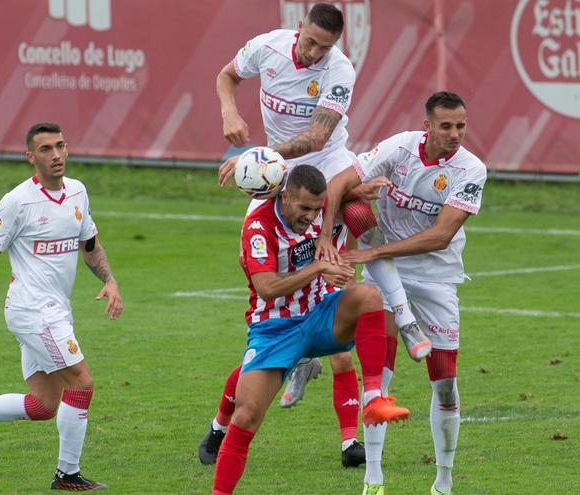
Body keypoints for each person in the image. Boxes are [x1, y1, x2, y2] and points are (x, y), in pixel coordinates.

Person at [201, 2, 430, 469]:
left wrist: (257, 154)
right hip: (276, 172)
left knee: (362, 221)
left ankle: (396, 336)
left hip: (321, 168)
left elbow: (318, 138)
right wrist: (228, 111)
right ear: (298, 28)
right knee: (269, 298)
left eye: (323, 47)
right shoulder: (267, 46)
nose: (313, 52)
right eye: (309, 42)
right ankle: (233, 413)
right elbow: (226, 76)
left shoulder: (339, 69)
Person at [0, 122, 123, 492]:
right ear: (31, 157)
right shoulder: (17, 202)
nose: (57, 155)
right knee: (82, 382)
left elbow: (90, 245)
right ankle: (67, 474)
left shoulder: (78, 192)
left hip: (55, 310)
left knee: (45, 405)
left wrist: (109, 280)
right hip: (32, 311)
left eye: (60, 146)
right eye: (46, 149)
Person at [318, 92, 486, 495]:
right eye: (446, 126)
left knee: (445, 382)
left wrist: (372, 251)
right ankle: (372, 477)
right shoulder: (399, 147)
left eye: (461, 125)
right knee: (380, 374)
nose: (455, 134)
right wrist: (326, 238)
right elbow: (339, 183)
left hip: (435, 278)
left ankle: (443, 480)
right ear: (427, 126)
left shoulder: (470, 169)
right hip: (384, 271)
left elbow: (441, 236)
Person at [210, 165, 410, 495]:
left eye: (317, 209)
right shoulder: (259, 227)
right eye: (304, 208)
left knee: (369, 296)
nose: (311, 216)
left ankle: (373, 398)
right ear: (284, 195)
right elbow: (268, 287)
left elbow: (342, 192)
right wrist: (320, 267)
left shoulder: (319, 209)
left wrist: (360, 191)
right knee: (246, 416)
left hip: (318, 315)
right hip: (275, 329)